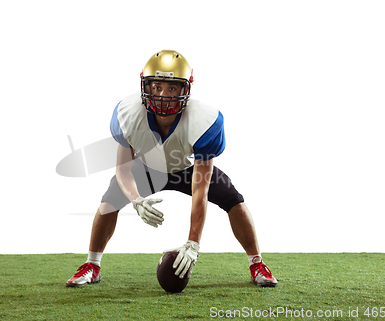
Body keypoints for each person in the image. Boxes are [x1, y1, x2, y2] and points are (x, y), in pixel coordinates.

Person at [66, 50, 277, 288]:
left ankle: (257, 263)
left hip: (188, 168)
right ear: (145, 87)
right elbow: (123, 171)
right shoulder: (127, 114)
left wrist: (193, 243)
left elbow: (200, 192)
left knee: (233, 199)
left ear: (185, 90)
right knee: (109, 201)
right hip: (147, 166)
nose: (163, 95)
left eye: (172, 88)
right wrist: (136, 200)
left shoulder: (205, 120)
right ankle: (92, 265)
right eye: (156, 87)